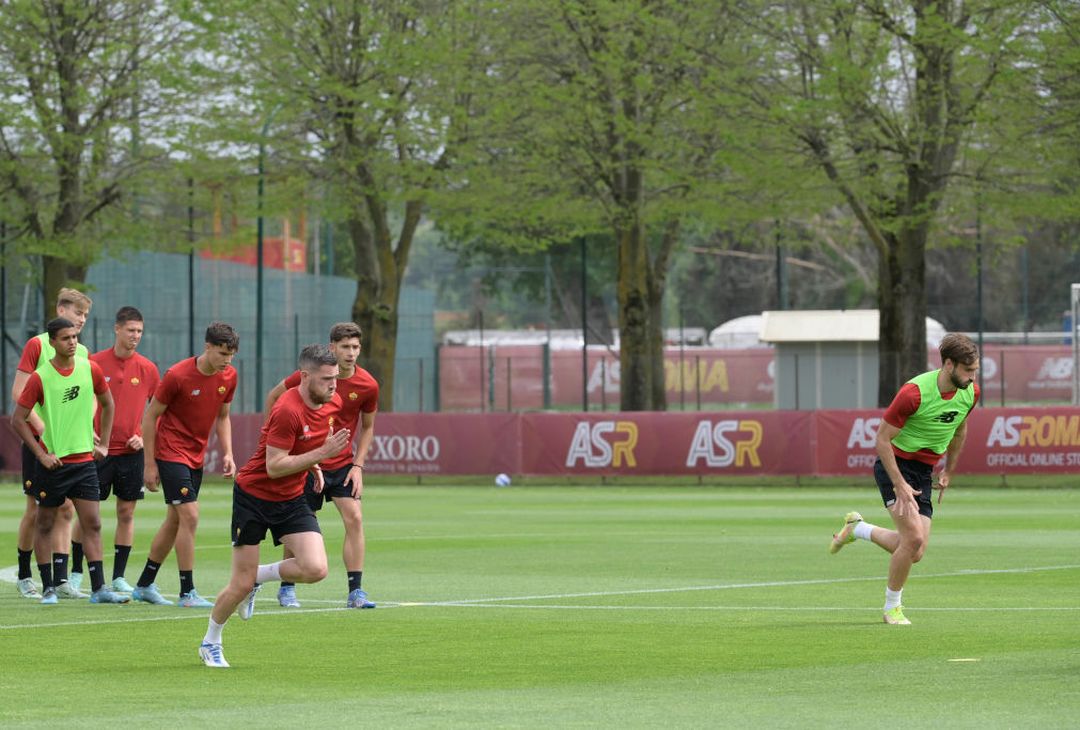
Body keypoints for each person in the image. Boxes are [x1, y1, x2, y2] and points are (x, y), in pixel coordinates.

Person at [199, 344, 351, 668]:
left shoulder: (329, 401)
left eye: (336, 378)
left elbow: (305, 444)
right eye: (327, 379)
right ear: (305, 376)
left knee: (316, 568)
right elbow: (274, 466)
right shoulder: (287, 410)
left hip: (291, 498)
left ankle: (258, 577)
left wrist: (314, 466)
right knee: (237, 584)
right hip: (254, 496)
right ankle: (210, 640)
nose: (334, 385)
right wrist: (320, 456)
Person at [830, 333, 980, 625]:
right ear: (949, 364)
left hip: (923, 471)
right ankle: (892, 608)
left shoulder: (970, 393)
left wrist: (948, 470)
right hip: (895, 465)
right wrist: (898, 483)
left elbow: (960, 431)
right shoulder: (914, 393)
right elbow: (882, 440)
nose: (973, 377)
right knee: (912, 539)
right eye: (968, 370)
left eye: (975, 370)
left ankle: (856, 529)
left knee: (917, 549)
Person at [9, 318, 129, 604]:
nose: (73, 342)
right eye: (66, 338)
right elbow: (18, 419)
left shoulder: (90, 369)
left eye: (75, 336)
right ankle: (49, 587)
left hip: (85, 462)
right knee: (45, 524)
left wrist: (104, 442)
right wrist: (41, 454)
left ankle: (99, 588)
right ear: (53, 343)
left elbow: (108, 403)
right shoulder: (41, 377)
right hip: (54, 465)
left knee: (94, 524)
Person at [263, 322, 379, 609]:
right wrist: (274, 438)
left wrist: (358, 466)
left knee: (355, 518)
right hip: (306, 461)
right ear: (332, 348)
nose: (350, 353)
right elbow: (274, 396)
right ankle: (287, 587)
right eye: (344, 347)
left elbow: (367, 428)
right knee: (298, 525)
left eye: (355, 347)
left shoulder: (368, 385)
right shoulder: (311, 374)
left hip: (342, 465)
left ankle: (356, 591)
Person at [130, 322, 238, 608]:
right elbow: (150, 417)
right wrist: (149, 464)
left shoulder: (229, 376)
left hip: (196, 455)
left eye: (231, 355)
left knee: (175, 520)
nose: (227, 361)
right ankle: (187, 592)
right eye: (222, 353)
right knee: (190, 516)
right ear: (208, 347)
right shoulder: (177, 375)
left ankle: (143, 585)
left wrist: (227, 453)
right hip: (170, 451)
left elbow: (223, 416)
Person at [9, 288, 93, 599]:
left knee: (67, 509)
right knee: (36, 508)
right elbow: (19, 393)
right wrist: (39, 423)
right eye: (77, 313)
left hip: (70, 445)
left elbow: (86, 396)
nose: (82, 320)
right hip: (41, 442)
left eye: (85, 315)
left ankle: (60, 581)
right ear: (60, 309)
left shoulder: (81, 352)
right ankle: (24, 574)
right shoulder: (37, 345)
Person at [85, 307, 160, 594]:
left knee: (126, 513)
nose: (135, 336)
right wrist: (88, 432)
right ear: (117, 329)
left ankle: (118, 577)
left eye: (139, 331)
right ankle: (79, 573)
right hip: (97, 451)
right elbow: (83, 402)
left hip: (131, 454)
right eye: (131, 330)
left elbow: (157, 411)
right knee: (89, 513)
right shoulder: (94, 363)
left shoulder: (148, 368)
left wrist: (141, 435)